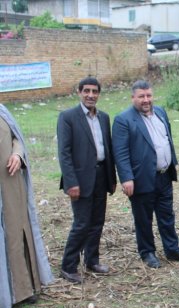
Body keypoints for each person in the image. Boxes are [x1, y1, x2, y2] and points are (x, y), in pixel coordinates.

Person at [112, 80, 179, 268]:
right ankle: (147, 252)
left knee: (167, 215)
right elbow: (120, 152)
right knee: (143, 218)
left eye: (149, 95)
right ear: (133, 97)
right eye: (141, 96)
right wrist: (126, 178)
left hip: (164, 175)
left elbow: (167, 139)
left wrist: (172, 161)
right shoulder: (123, 120)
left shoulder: (161, 112)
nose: (146, 100)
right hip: (141, 178)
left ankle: (172, 249)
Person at [57, 77, 117, 283]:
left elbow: (107, 149)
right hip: (80, 180)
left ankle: (92, 261)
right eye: (87, 91)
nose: (91, 95)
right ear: (79, 92)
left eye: (95, 91)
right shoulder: (68, 117)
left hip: (101, 176)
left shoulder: (104, 117)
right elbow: (64, 153)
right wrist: (71, 182)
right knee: (82, 223)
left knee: (97, 222)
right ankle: (68, 266)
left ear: (99, 94)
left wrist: (112, 178)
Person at [0, 104, 53, 308]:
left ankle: (22, 290)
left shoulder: (2, 111)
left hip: (10, 185)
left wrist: (17, 155)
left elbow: (16, 139)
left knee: (16, 235)